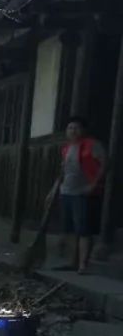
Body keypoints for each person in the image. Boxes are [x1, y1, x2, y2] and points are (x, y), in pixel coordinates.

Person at [56, 116, 107, 274]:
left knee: (83, 229)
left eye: (76, 128)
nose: (73, 131)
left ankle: (83, 264)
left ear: (83, 130)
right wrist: (54, 190)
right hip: (66, 191)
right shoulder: (66, 148)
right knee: (70, 229)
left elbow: (105, 163)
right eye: (70, 128)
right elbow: (63, 172)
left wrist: (94, 184)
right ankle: (73, 261)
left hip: (83, 192)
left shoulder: (92, 145)